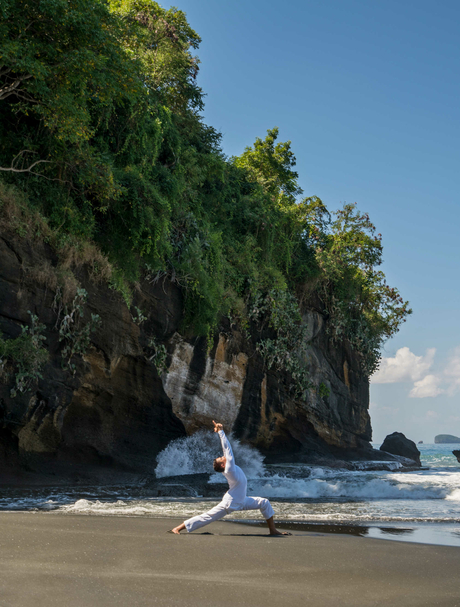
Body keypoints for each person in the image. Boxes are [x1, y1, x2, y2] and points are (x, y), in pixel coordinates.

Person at [170, 421, 290, 536]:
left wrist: (219, 431)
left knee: (264, 502)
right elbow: (227, 449)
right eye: (220, 458)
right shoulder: (230, 469)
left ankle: (273, 530)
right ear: (223, 465)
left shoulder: (228, 468)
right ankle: (177, 528)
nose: (222, 456)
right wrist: (221, 432)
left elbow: (226, 452)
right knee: (208, 517)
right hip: (230, 503)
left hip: (242, 500)